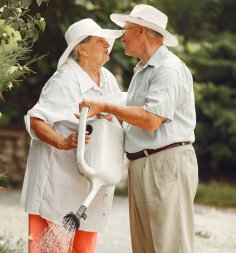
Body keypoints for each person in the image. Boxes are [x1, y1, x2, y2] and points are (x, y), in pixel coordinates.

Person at [79, 4, 198, 253]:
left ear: (142, 31)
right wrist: (105, 113)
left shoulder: (169, 69)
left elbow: (151, 119)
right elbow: (133, 117)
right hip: (143, 164)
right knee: (145, 247)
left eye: (126, 30)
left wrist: (108, 107)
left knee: (169, 246)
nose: (122, 38)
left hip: (165, 164)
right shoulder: (142, 70)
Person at [20, 18, 124, 253]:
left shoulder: (107, 78)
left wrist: (110, 118)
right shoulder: (64, 80)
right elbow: (36, 120)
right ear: (81, 48)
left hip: (88, 185)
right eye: (100, 41)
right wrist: (62, 141)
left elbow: (117, 112)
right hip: (56, 185)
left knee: (83, 248)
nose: (107, 44)